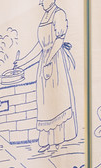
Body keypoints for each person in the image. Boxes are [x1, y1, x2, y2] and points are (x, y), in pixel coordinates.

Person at [34, 0, 78, 153]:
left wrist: (49, 59)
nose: (41, 3)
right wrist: (22, 62)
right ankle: (46, 141)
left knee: (58, 98)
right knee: (44, 101)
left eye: (42, 1)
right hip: (44, 60)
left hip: (55, 59)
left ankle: (57, 141)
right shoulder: (44, 16)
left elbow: (59, 40)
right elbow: (39, 44)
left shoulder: (59, 14)